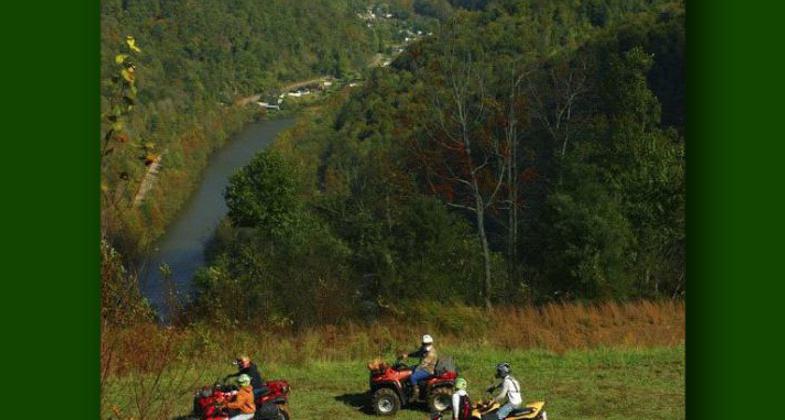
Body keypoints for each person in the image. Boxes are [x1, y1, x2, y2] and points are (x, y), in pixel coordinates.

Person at [401, 334, 438, 400]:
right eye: (425, 343)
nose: (426, 344)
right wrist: (408, 355)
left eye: (427, 343)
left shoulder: (431, 353)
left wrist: (415, 370)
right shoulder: (424, 349)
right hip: (423, 367)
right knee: (406, 370)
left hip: (428, 370)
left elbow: (424, 364)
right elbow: (418, 353)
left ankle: (416, 394)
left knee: (413, 377)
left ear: (431, 343)